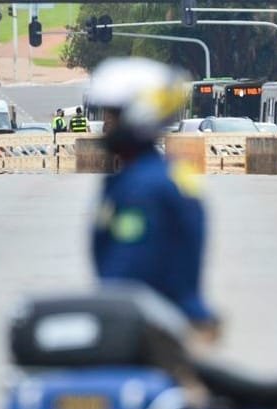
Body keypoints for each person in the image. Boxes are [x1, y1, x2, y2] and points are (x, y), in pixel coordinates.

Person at [86, 56, 218, 337]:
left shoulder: (143, 188)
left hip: (148, 328)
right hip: (172, 320)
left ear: (139, 114)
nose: (106, 125)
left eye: (113, 114)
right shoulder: (164, 174)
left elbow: (127, 273)